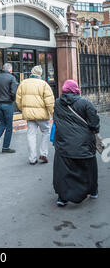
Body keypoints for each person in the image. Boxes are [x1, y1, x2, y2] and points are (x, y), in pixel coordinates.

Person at [53, 79, 100, 207]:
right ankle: (93, 190)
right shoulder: (85, 103)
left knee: (63, 171)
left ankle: (62, 197)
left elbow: (56, 120)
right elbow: (94, 123)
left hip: (64, 145)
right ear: (76, 89)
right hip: (84, 144)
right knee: (88, 168)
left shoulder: (57, 103)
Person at [16, 65, 55, 165]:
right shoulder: (44, 84)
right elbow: (49, 101)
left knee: (31, 134)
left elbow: (18, 100)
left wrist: (24, 109)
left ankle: (32, 158)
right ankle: (43, 153)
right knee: (46, 131)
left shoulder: (23, 83)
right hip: (42, 114)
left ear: (31, 73)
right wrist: (53, 113)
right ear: (40, 74)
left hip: (29, 115)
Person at [0, 63, 18, 153]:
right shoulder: (12, 78)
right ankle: (5, 147)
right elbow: (14, 92)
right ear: (10, 70)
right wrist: (12, 99)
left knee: (2, 123)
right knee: (9, 126)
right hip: (8, 104)